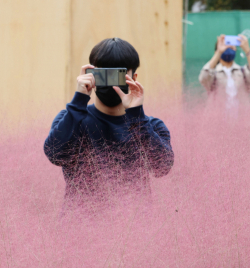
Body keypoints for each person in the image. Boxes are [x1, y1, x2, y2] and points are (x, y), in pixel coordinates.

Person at [44, 38, 174, 199]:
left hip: (135, 222)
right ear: (91, 75)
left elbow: (162, 168)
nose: (112, 82)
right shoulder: (71, 119)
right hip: (80, 222)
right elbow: (55, 155)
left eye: (118, 74)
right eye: (105, 74)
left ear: (134, 77)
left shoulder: (151, 126)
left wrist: (137, 116)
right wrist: (79, 100)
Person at [199, 34, 250, 105]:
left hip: (241, 115)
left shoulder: (242, 72)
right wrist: (219, 52)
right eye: (225, 44)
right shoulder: (213, 74)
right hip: (218, 115)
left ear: (235, 48)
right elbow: (204, 77)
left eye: (231, 45)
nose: (228, 47)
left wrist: (247, 51)